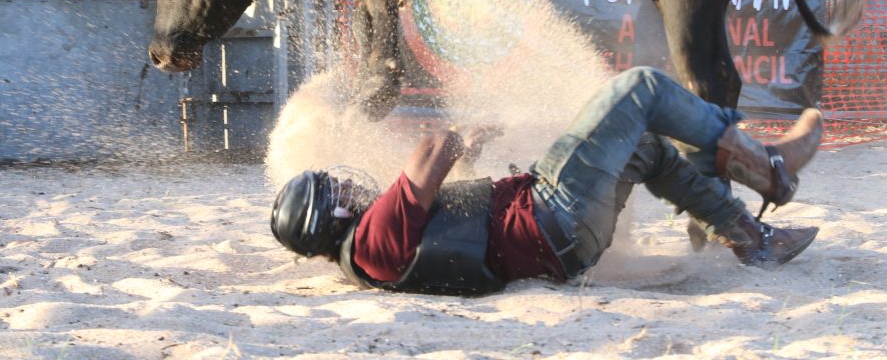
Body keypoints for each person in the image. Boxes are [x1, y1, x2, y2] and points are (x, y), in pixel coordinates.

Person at [270, 66, 823, 295]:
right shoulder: (370, 241)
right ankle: (769, 169)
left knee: (648, 149)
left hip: (560, 238)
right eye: (335, 194)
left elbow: (456, 228)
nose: (348, 188)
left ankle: (753, 240)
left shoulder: (376, 255)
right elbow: (429, 150)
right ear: (330, 220)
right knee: (639, 88)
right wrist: (458, 137)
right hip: (552, 210)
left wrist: (466, 157)